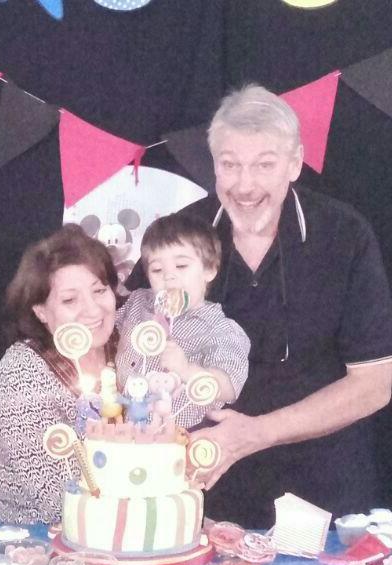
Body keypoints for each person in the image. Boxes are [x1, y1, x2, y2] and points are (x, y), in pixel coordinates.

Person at [127, 85, 392, 527]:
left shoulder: (345, 235)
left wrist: (256, 433)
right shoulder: (179, 236)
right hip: (203, 496)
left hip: (324, 496)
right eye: (230, 165)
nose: (244, 185)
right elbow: (131, 343)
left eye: (264, 165)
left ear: (295, 163)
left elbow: (376, 383)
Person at [0, 224, 119, 524]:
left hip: (137, 537)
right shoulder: (21, 374)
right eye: (70, 300)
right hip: (43, 541)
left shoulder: (129, 349)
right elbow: (58, 500)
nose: (93, 310)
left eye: (100, 290)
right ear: (41, 311)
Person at [116, 212, 250, 429]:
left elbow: (229, 386)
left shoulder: (220, 329)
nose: (169, 276)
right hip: (123, 430)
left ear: (209, 270)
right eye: (157, 269)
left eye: (181, 266)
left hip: (182, 435)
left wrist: (186, 370)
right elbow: (106, 328)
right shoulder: (138, 302)